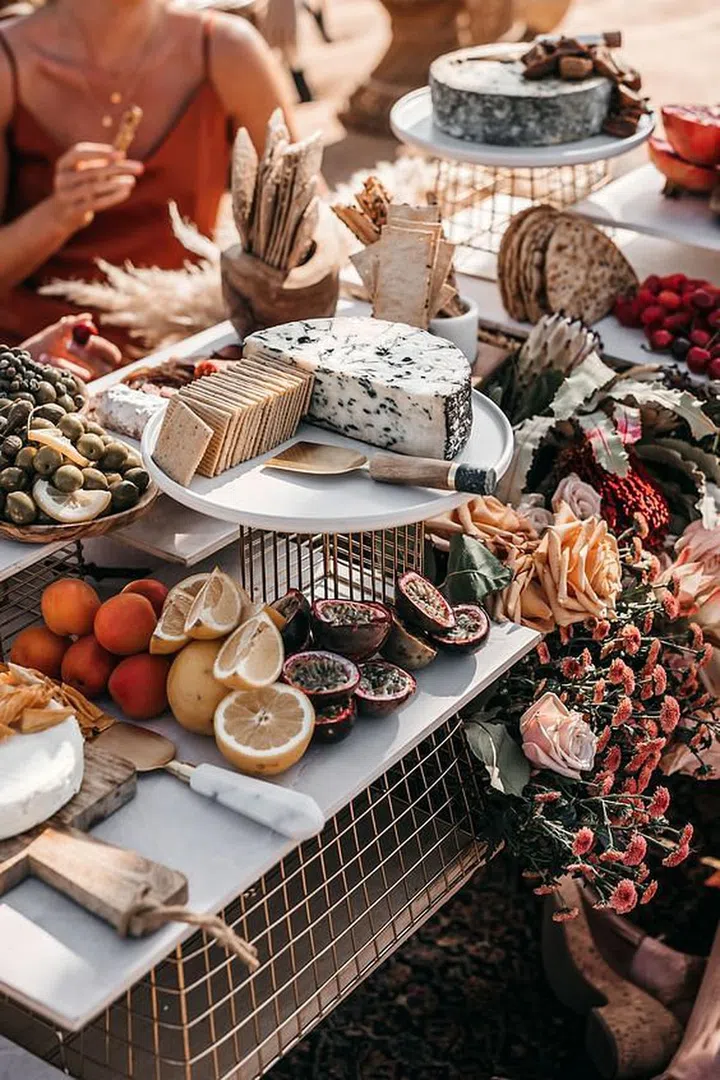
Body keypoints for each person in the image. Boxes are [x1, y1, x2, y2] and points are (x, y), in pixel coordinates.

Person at [0, 0, 296, 367]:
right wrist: (59, 213)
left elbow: (302, 217)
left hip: (188, 351)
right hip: (39, 364)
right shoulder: (8, 63)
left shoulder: (227, 50)